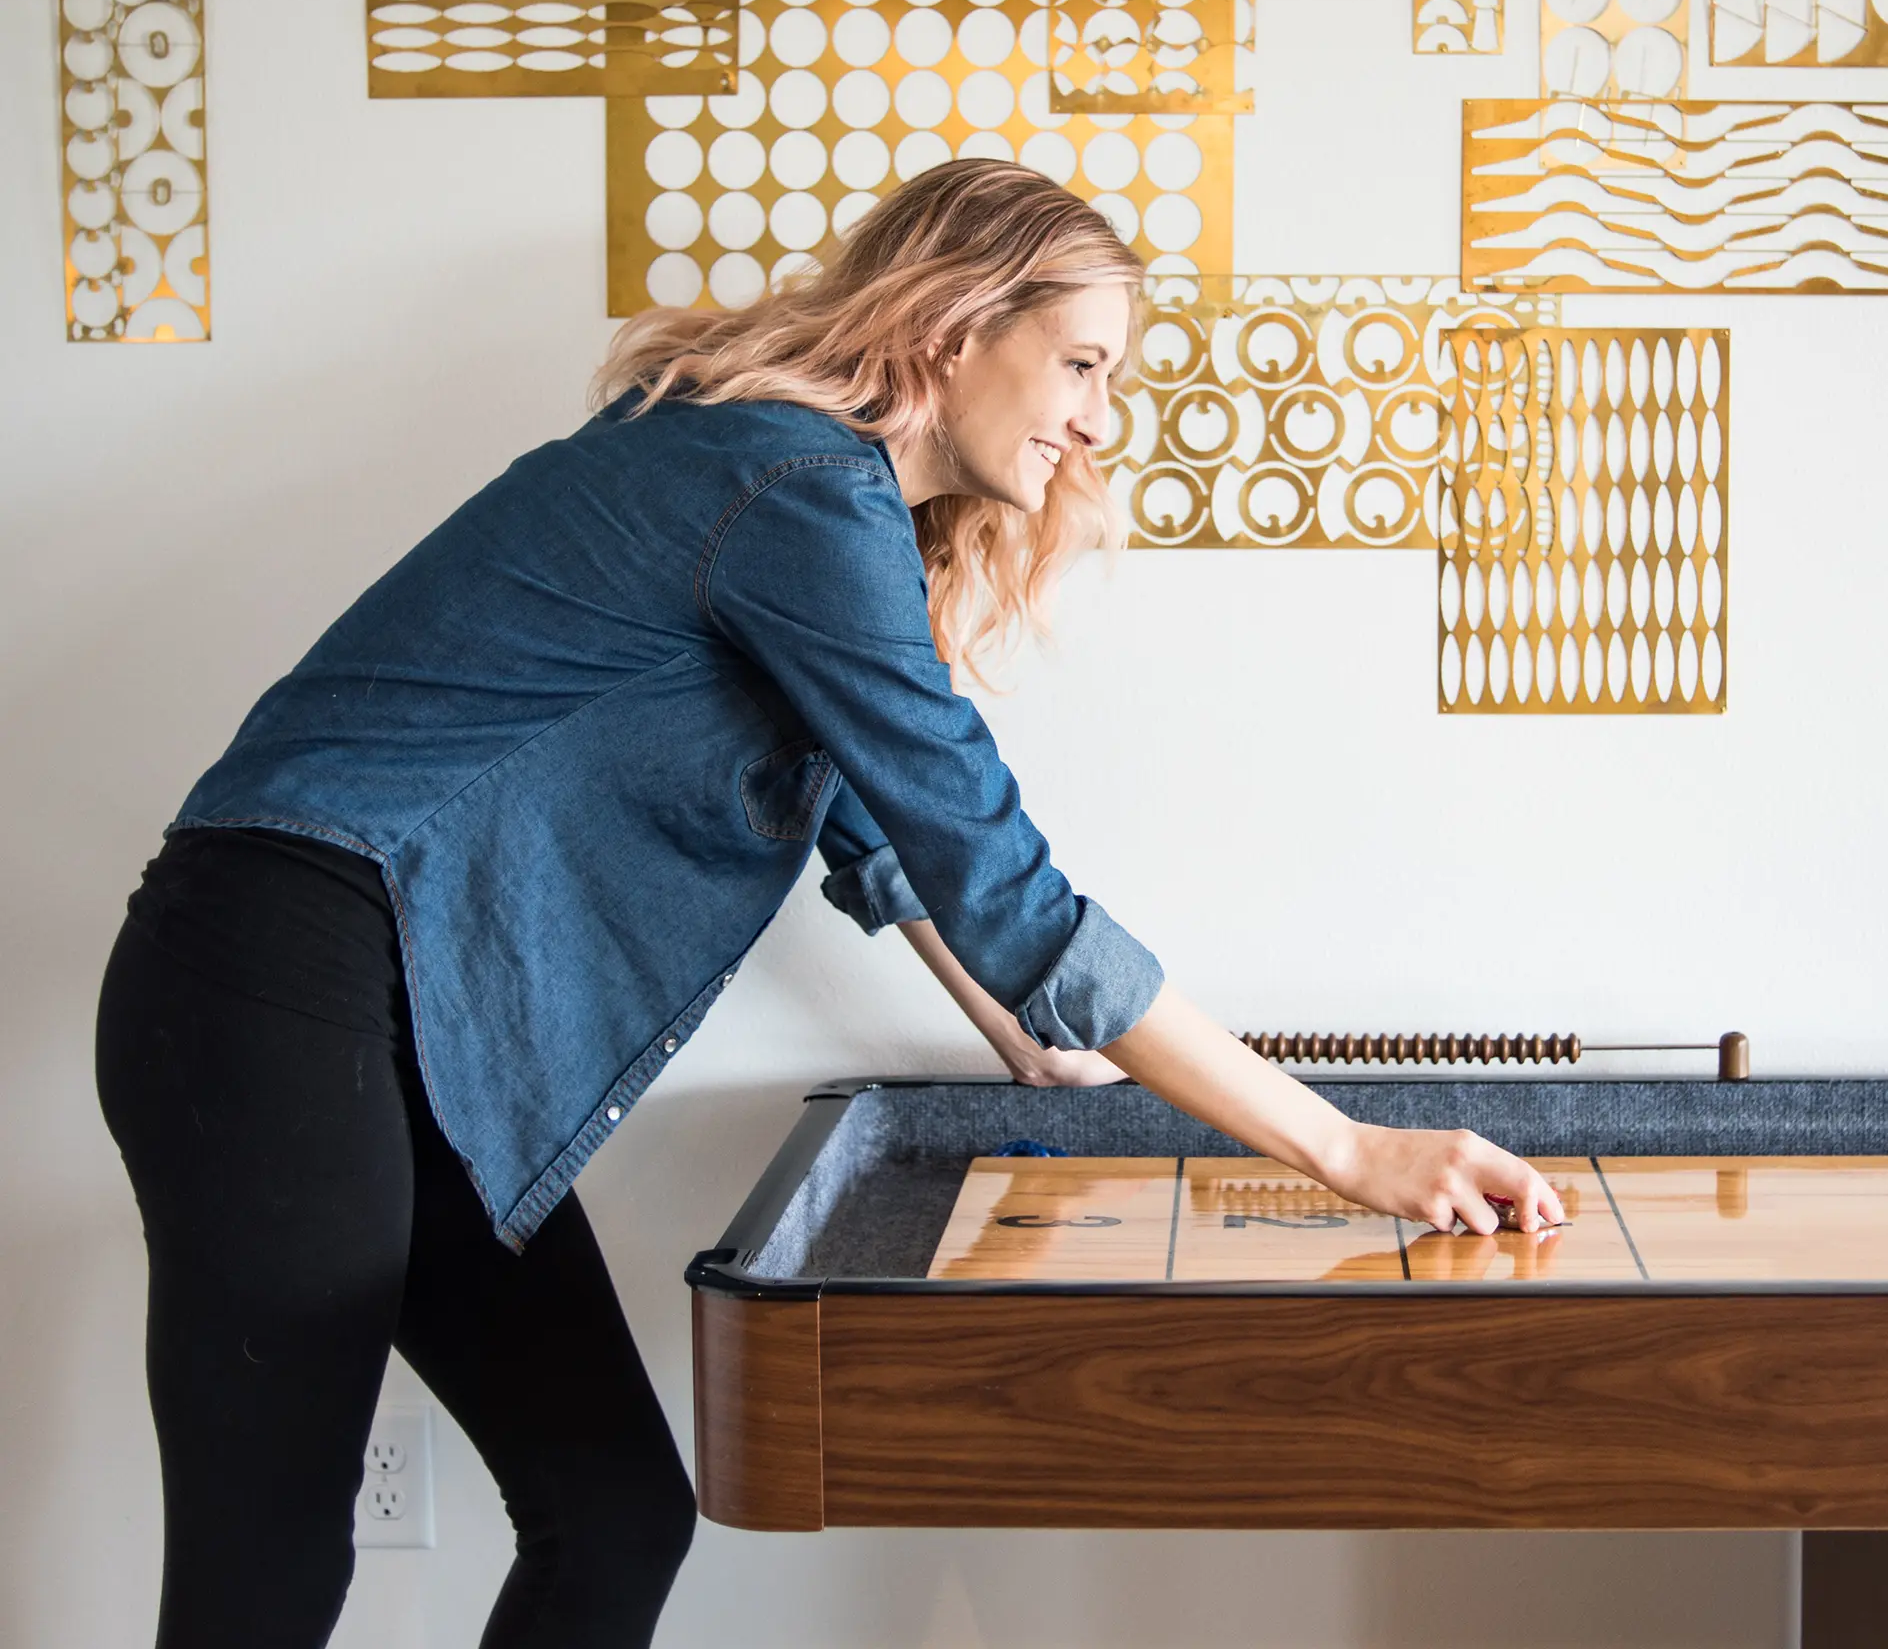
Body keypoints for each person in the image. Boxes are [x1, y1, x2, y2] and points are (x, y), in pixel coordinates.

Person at [97, 160, 1564, 1648]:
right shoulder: (791, 481)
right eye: (1081, 363)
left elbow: (887, 833)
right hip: (279, 977)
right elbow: (1001, 880)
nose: (1097, 417)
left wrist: (1036, 1044)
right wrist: (1348, 1146)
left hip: (402, 1020)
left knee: (611, 1514)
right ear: (955, 325)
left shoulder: (807, 504)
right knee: (265, 1566)